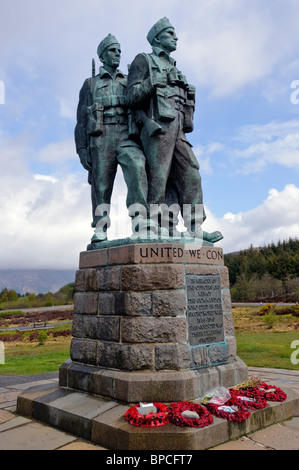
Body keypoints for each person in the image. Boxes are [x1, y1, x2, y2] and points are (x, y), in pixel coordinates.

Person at [127, 18, 222, 243]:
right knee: (158, 177)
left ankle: (195, 227)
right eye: (171, 33)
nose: (176, 37)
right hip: (158, 126)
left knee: (191, 173)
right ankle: (152, 224)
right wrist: (154, 82)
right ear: (158, 38)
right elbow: (130, 97)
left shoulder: (175, 66)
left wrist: (190, 95)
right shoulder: (144, 60)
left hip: (178, 129)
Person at [75, 34, 149, 246]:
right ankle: (100, 226)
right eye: (112, 50)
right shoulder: (90, 84)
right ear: (102, 56)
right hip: (101, 136)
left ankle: (139, 220)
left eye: (118, 51)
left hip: (126, 135)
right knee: (101, 184)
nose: (117, 54)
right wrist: (82, 149)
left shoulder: (128, 81)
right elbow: (80, 121)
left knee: (137, 166)